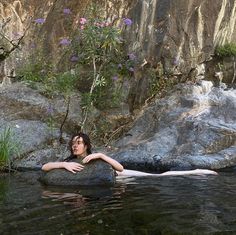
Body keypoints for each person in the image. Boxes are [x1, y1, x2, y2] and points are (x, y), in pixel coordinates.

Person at [41, 133, 218, 176]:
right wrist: (63, 165)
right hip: (109, 179)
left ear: (86, 145)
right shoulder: (71, 161)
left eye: (78, 143)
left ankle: (197, 172)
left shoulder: (94, 156)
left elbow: (120, 167)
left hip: (121, 176)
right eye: (73, 144)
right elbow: (44, 167)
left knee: (159, 176)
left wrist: (101, 155)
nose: (75, 146)